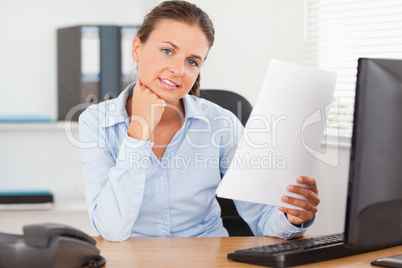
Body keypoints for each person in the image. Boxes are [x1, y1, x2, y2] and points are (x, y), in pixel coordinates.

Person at [79, 0, 320, 242]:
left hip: (207, 256)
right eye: (167, 51)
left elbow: (263, 218)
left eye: (192, 61)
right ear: (137, 48)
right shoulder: (96, 121)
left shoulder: (221, 123)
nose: (178, 70)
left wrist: (292, 216)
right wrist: (139, 131)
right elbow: (111, 229)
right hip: (133, 256)